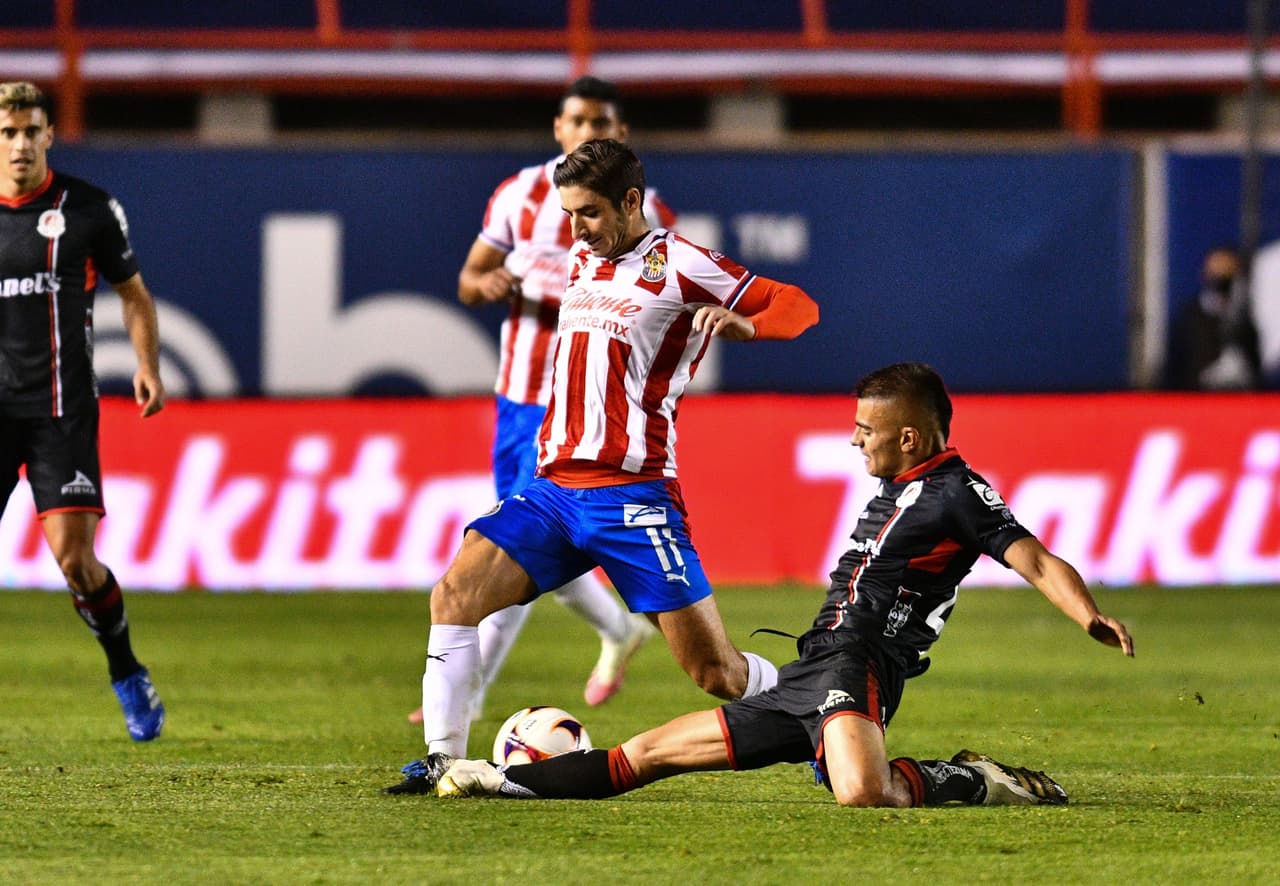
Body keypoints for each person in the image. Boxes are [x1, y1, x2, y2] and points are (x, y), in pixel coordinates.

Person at [394, 362, 1135, 807]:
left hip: (859, 666)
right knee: (643, 758)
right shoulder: (905, 485)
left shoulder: (957, 494)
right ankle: (487, 779)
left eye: (864, 429)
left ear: (909, 437)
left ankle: (974, 781)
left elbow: (1034, 559)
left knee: (863, 795)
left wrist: (1088, 614)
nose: (853, 439)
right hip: (813, 670)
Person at [386, 138, 820, 791]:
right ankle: (443, 763)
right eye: (568, 212)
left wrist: (748, 326)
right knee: (454, 595)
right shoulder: (585, 259)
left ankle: (821, 704)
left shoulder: (681, 262)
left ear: (631, 202)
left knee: (717, 674)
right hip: (554, 491)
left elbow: (797, 306)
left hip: (634, 495)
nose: (575, 229)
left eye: (587, 212)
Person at [408, 77, 673, 725]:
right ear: (559, 128)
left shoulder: (647, 212)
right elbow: (469, 280)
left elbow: (663, 306)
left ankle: (461, 701)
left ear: (621, 132)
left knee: (515, 545)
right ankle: (617, 630)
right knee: (532, 539)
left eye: (600, 122)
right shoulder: (519, 197)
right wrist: (489, 280)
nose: (588, 132)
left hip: (588, 407)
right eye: (577, 121)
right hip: (522, 399)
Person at [0, 81, 166, 741]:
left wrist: (148, 363)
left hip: (60, 413)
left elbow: (134, 294)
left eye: (29, 131)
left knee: (75, 561)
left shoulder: (90, 208)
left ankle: (125, 670)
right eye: (7, 133)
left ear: (48, 136)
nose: (18, 145)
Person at [1166, 246, 1262, 390]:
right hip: (1194, 399)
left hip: (1238, 400)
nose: (1221, 280)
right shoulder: (1189, 317)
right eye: (1217, 273)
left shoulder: (1246, 318)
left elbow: (1256, 364)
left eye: (1227, 274)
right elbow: (1173, 365)